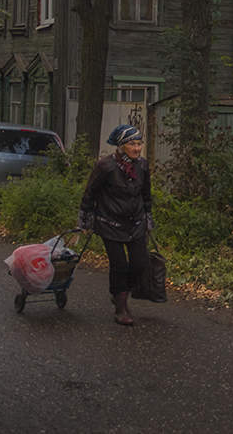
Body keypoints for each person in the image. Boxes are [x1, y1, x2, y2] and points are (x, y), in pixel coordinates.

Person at [79, 123, 153, 326]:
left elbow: (146, 194)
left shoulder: (143, 166)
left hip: (135, 222)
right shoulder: (106, 166)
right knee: (119, 265)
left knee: (140, 263)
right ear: (121, 146)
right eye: (132, 144)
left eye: (139, 144)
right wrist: (85, 219)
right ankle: (121, 307)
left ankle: (120, 293)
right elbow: (90, 193)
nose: (137, 148)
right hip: (109, 222)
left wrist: (148, 219)